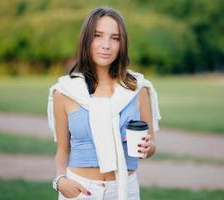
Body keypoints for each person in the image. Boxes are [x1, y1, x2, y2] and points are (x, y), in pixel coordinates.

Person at [47, 7, 161, 200]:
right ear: (86, 40)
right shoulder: (64, 92)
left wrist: (148, 148)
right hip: (80, 190)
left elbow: (150, 146)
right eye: (98, 35)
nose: (106, 45)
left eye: (115, 38)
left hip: (125, 189)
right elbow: (63, 150)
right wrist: (60, 180)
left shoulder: (138, 89)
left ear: (122, 44)